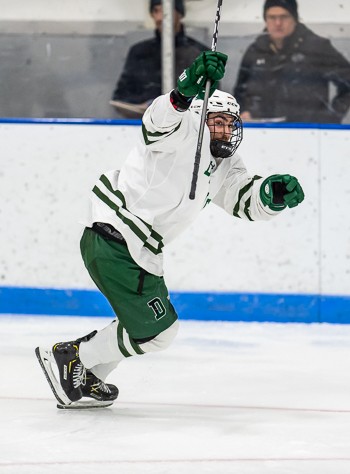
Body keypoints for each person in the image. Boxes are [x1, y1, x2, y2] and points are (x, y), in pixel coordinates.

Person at [36, 50, 305, 408]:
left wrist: (272, 195)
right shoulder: (180, 130)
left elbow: (243, 198)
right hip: (116, 234)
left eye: (230, 122)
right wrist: (183, 92)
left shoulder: (226, 163)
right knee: (160, 332)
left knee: (141, 322)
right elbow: (156, 122)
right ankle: (74, 359)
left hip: (138, 249)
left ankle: (87, 376)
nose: (225, 129)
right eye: (217, 121)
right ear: (200, 118)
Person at [233, 0, 350, 123]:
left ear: (294, 18)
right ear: (265, 20)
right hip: (261, 131)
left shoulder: (317, 48)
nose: (278, 23)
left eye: (284, 17)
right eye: (272, 17)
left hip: (308, 133)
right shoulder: (255, 50)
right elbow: (240, 91)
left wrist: (330, 118)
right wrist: (243, 112)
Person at [110, 0, 207, 117]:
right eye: (156, 11)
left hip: (187, 125)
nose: (160, 17)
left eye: (166, 11)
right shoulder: (139, 52)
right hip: (144, 124)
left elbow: (209, 98)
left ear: (180, 14)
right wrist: (148, 104)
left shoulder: (200, 54)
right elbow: (121, 97)